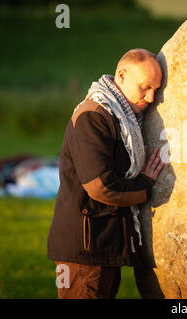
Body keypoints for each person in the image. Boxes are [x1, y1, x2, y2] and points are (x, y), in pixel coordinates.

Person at [47, 48, 165, 299]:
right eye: (145, 87)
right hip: (84, 252)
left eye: (155, 89)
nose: (151, 97)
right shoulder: (94, 115)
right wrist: (145, 185)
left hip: (100, 246)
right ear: (121, 76)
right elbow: (100, 185)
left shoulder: (121, 117)